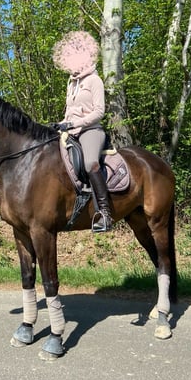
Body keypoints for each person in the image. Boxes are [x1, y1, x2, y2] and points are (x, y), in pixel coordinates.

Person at [52, 31, 113, 233]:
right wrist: (61, 124)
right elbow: (69, 111)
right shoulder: (71, 83)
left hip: (90, 131)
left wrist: (76, 124)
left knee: (90, 163)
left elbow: (99, 111)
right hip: (70, 132)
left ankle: (104, 213)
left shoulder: (95, 81)